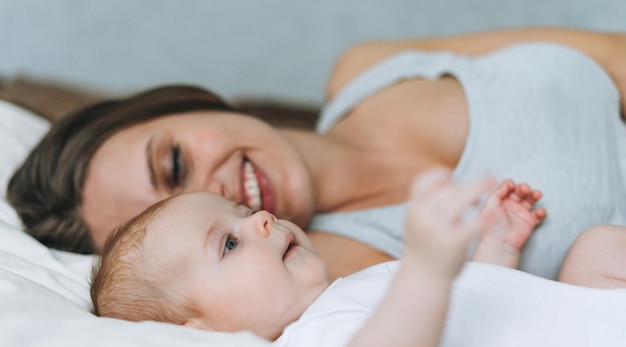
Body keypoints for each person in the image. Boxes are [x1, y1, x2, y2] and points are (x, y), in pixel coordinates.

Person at [8, 28, 626, 281]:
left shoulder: (368, 70)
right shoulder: (342, 283)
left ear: (190, 103)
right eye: (185, 219)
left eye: (173, 165)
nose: (214, 199)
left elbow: (612, 52)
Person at [90, 169, 556, 347]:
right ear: (201, 332)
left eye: (242, 211)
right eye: (230, 243)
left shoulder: (345, 294)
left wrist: (497, 250)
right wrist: (428, 268)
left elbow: (483, 314)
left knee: (599, 249)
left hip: (567, 331)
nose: (263, 218)